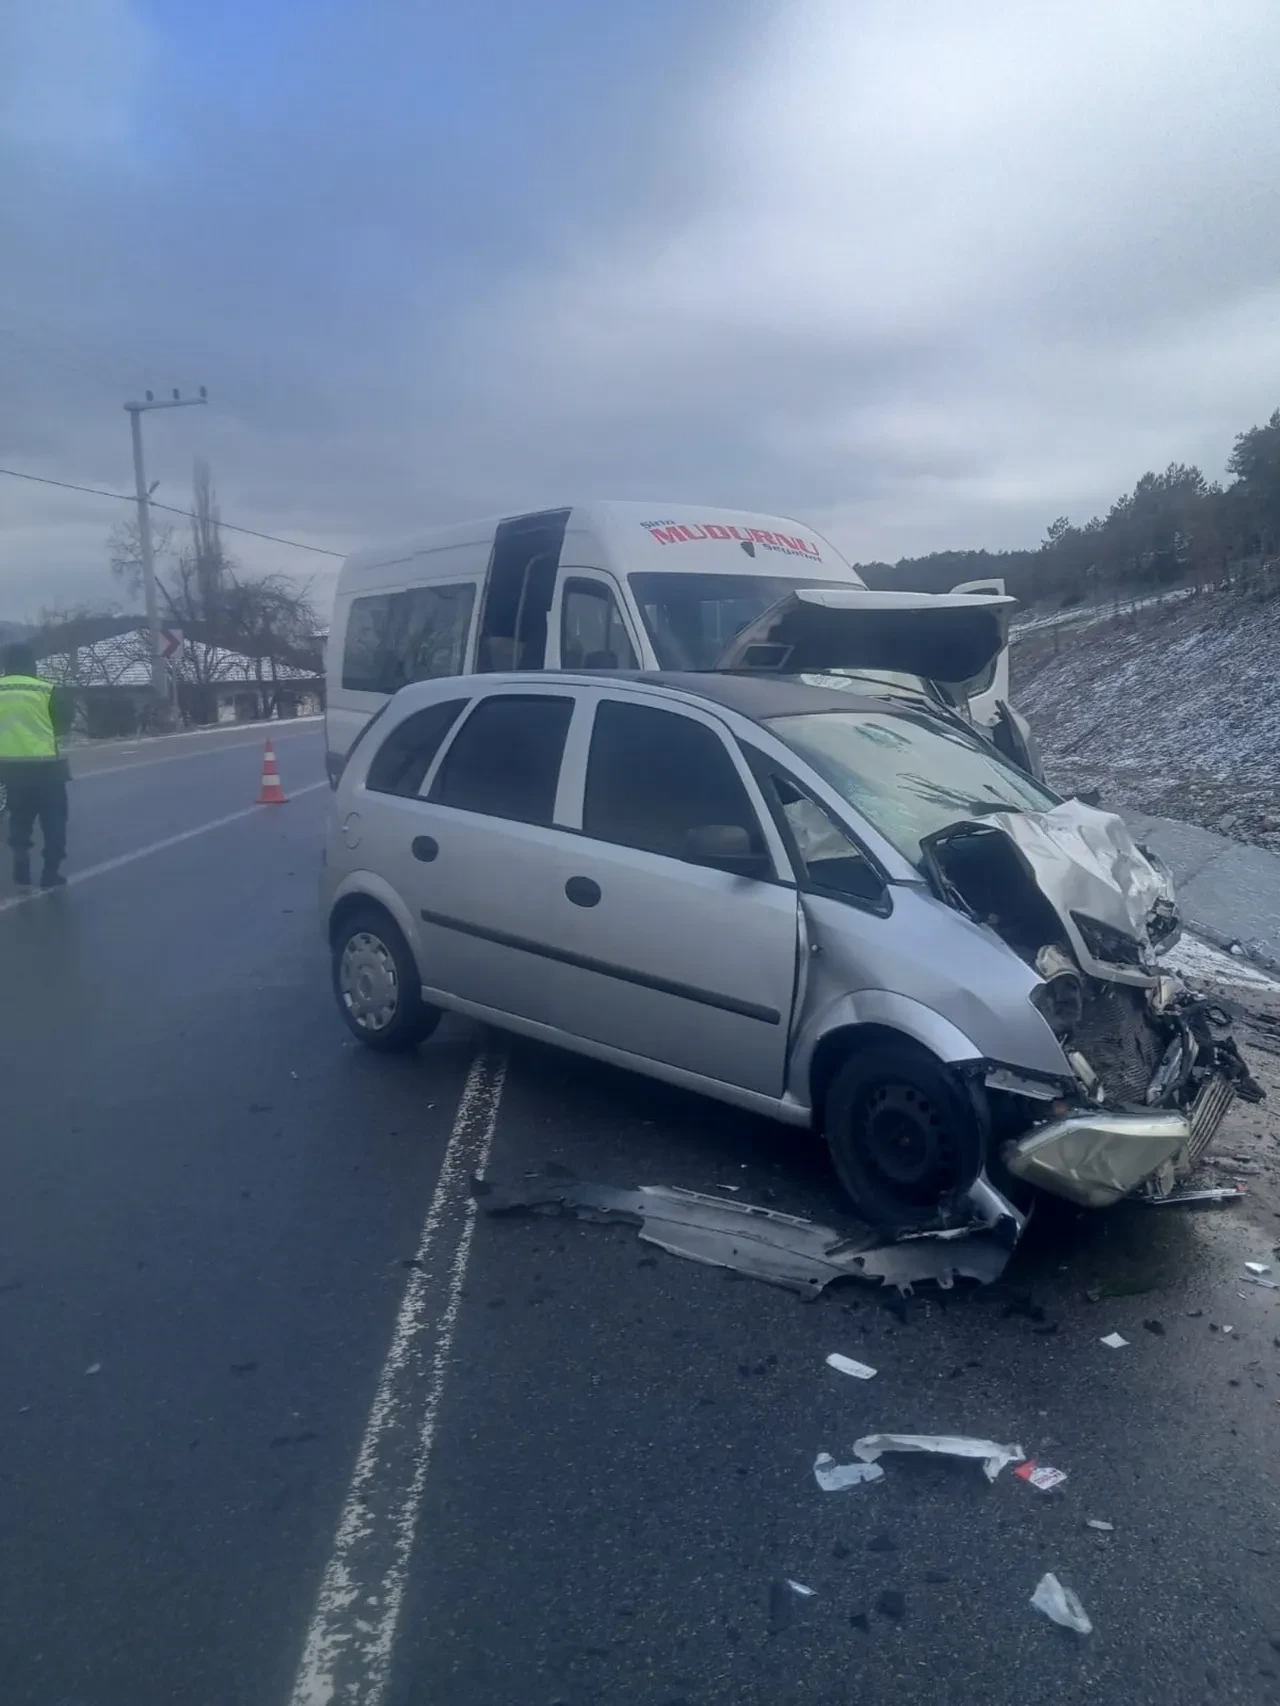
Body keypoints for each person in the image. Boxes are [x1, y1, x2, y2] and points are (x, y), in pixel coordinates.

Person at [0, 643, 71, 889]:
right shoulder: (48, 690)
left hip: (9, 769)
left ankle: (20, 856)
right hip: (47, 768)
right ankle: (50, 873)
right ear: (32, 664)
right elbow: (63, 726)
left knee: (19, 818)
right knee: (54, 822)